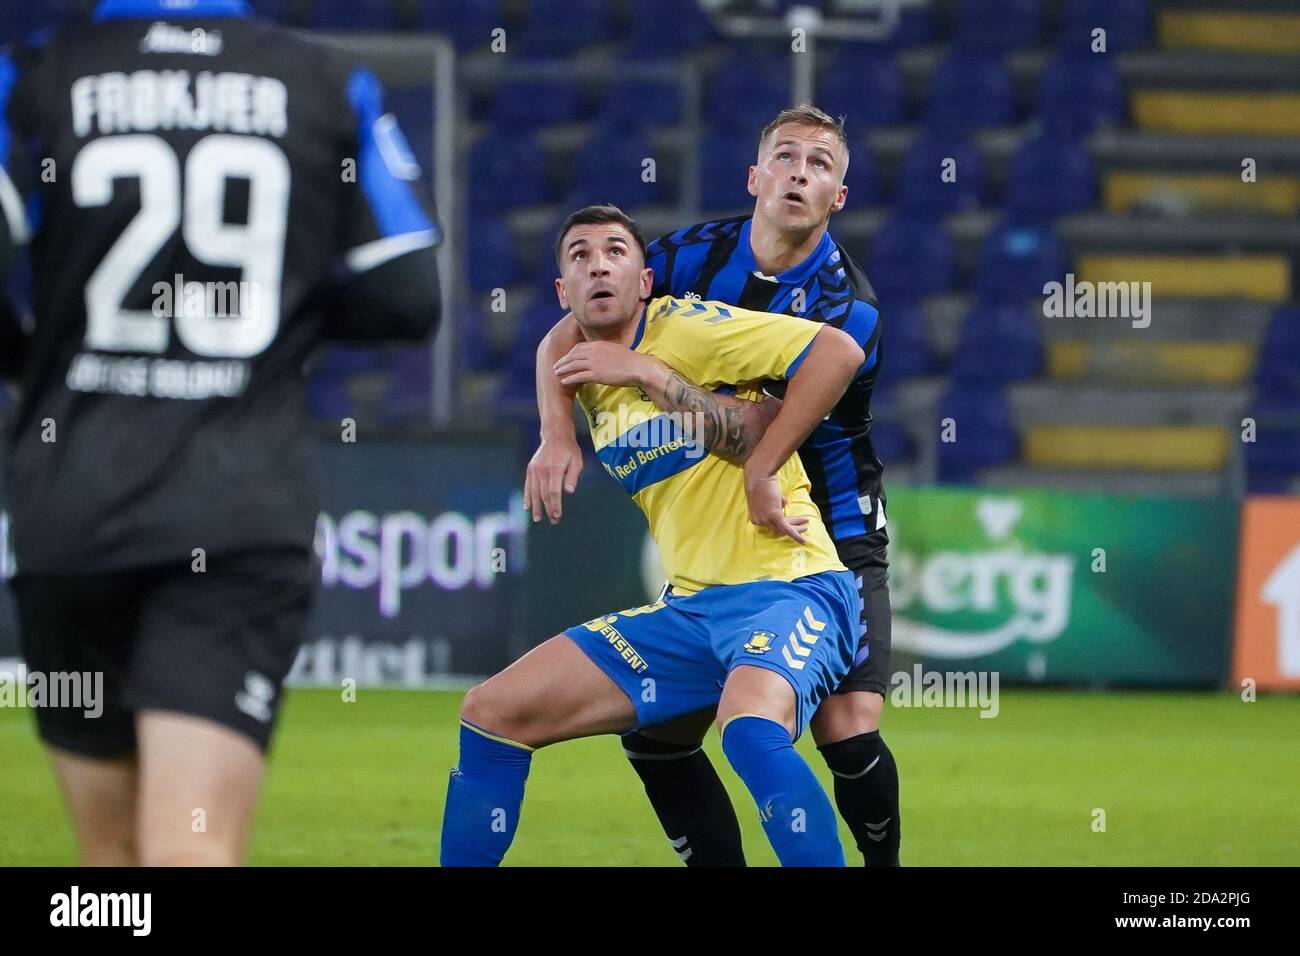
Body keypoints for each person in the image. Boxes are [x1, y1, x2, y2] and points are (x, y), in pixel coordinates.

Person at [0, 0, 441, 865]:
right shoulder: (322, 81)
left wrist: (34, 351)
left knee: (109, 864)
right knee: (189, 851)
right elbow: (407, 296)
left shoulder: (39, 75)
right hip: (235, 505)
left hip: (69, 509)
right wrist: (279, 317)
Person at [525, 104, 899, 866]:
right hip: (733, 508)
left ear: (839, 198)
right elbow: (574, 321)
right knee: (658, 736)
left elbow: (771, 421)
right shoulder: (693, 253)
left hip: (826, 509)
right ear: (755, 177)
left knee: (848, 726)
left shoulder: (849, 311)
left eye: (821, 165)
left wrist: (751, 458)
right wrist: (556, 432)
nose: (800, 173)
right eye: (786, 158)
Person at [441, 204, 864, 867]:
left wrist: (665, 387)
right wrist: (554, 434)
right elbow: (555, 346)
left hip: (792, 587)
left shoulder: (689, 330)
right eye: (579, 256)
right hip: (691, 611)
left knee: (749, 729)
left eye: (615, 251)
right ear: (563, 292)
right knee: (492, 711)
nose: (598, 264)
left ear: (645, 281)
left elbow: (838, 352)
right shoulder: (579, 365)